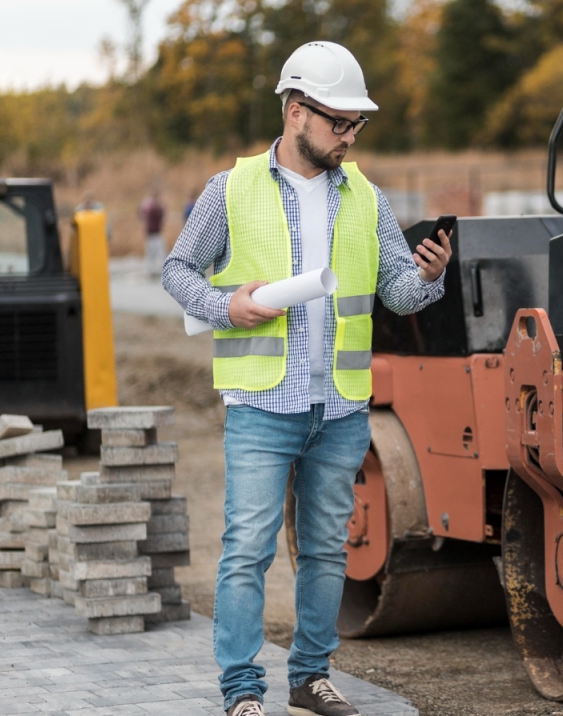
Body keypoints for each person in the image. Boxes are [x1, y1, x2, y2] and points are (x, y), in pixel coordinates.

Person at [162, 41, 451, 716]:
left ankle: (309, 677)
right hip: (263, 403)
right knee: (246, 553)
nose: (349, 136)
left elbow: (396, 293)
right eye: (338, 122)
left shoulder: (367, 199)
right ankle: (241, 691)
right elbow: (178, 271)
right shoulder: (230, 189)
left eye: (357, 125)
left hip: (341, 408)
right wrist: (224, 306)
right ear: (296, 112)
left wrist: (428, 278)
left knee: (326, 550)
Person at [139, 189, 166, 277]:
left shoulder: (147, 206)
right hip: (153, 233)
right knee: (156, 252)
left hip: (153, 233)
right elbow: (160, 214)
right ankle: (151, 270)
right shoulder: (152, 207)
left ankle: (153, 270)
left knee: (156, 253)